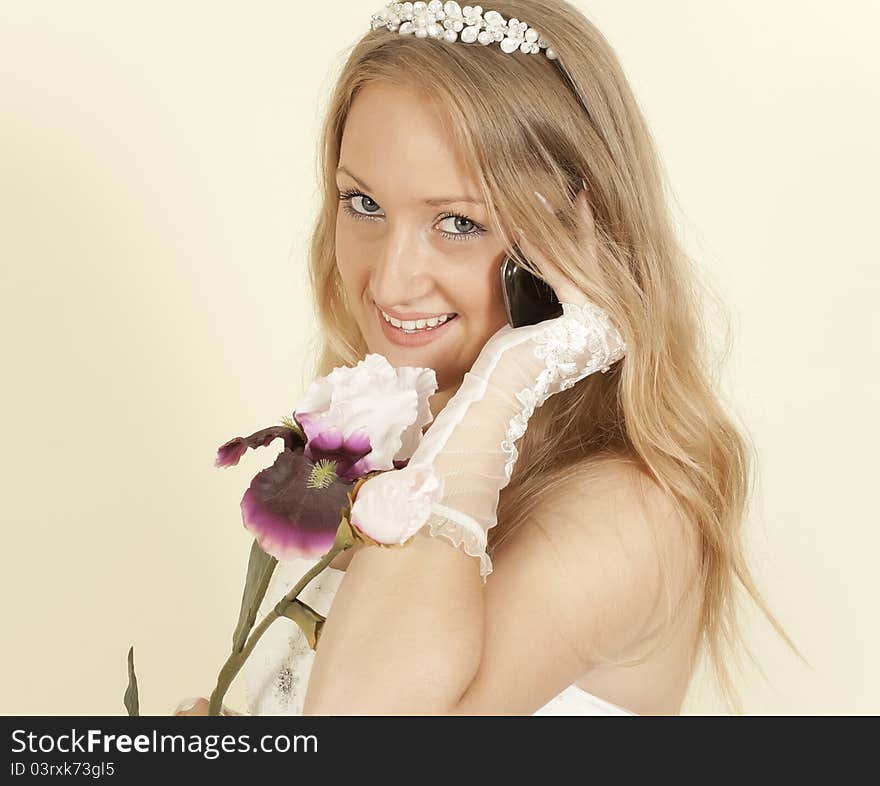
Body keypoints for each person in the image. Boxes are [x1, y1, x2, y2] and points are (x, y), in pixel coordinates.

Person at [176, 0, 802, 718]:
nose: (389, 279)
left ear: (569, 237)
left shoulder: (628, 513)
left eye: (458, 222)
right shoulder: (398, 457)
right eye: (363, 203)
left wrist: (513, 377)